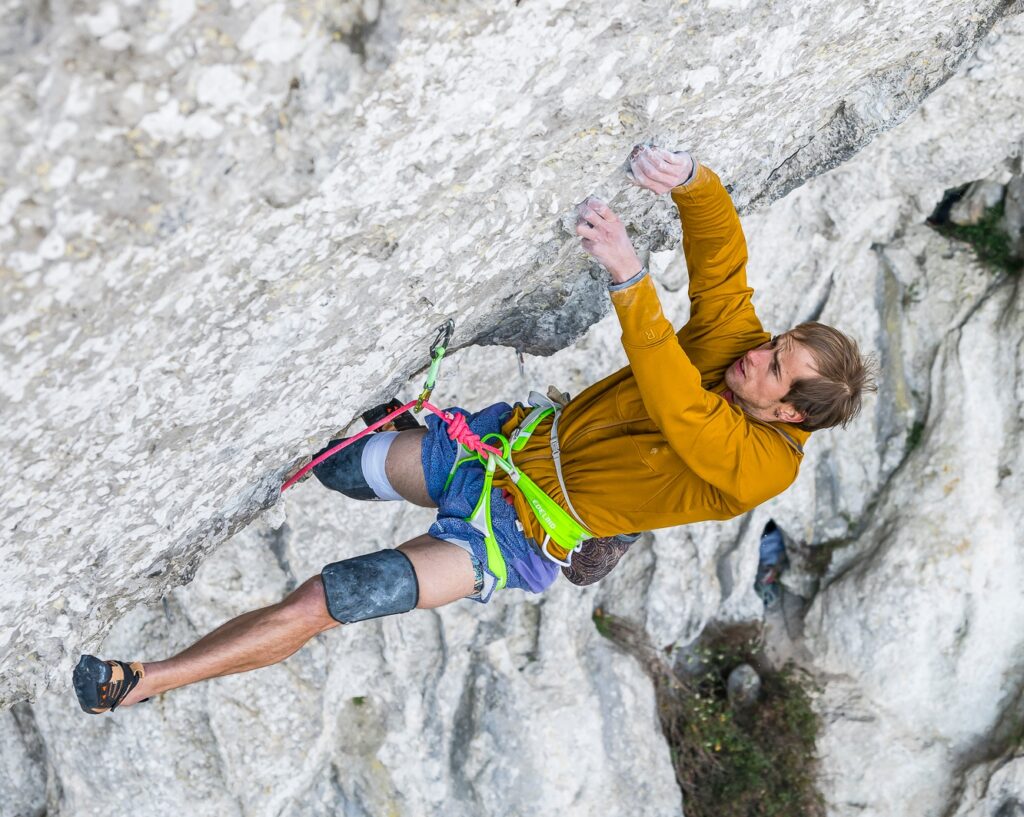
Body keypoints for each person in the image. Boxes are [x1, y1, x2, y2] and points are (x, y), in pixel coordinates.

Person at [73, 145, 875, 713]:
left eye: (774, 369)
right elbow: (725, 268)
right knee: (340, 468)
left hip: (519, 534)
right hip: (502, 449)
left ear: (790, 414)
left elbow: (679, 409)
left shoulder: (762, 468)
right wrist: (694, 183)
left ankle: (144, 679)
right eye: (775, 345)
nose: (757, 356)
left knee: (336, 594)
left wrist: (630, 278)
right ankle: (381, 441)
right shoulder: (742, 354)